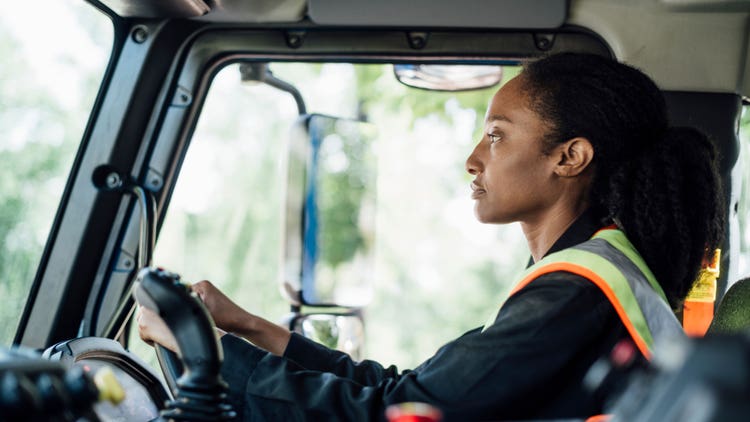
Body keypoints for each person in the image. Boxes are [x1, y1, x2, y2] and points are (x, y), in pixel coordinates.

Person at [137, 52, 725, 421]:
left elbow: (404, 413)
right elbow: (415, 389)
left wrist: (204, 355)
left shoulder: (579, 289)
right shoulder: (593, 273)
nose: (473, 159)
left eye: (496, 135)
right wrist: (249, 329)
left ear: (569, 157)